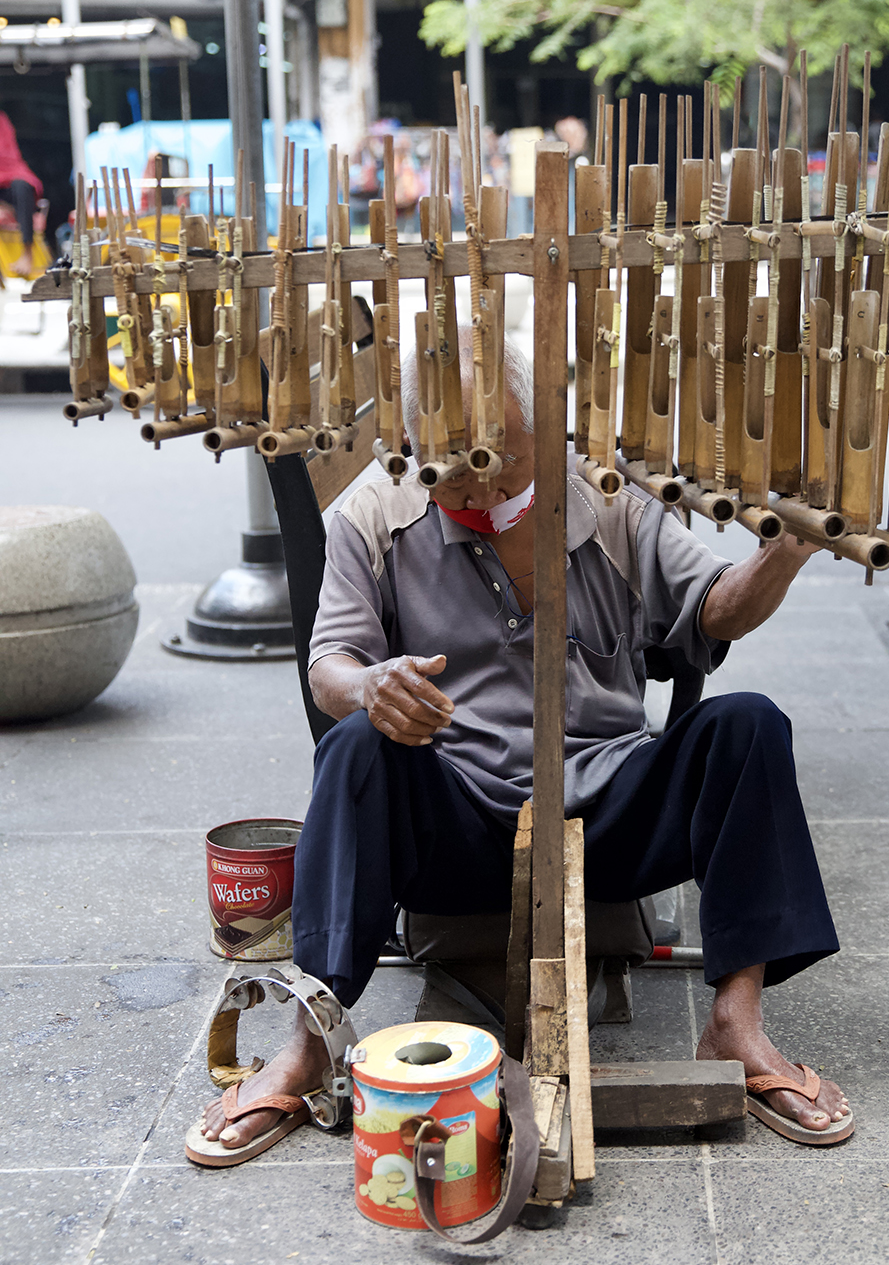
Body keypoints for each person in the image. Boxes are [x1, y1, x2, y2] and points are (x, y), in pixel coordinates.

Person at [191, 337, 854, 1164]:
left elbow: (714, 608)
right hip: (456, 817)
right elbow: (331, 664)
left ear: (547, 426)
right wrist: (371, 687)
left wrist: (781, 555)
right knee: (359, 746)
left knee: (748, 725)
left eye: (498, 456)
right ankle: (310, 1037)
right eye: (448, 469)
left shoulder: (609, 494)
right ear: (410, 448)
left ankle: (737, 1025)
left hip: (605, 812)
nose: (477, 486)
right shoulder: (375, 511)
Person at [0, 109, 43, 276]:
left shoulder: (2, 119)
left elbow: (8, 154)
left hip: (7, 180)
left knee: (22, 186)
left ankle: (27, 253)